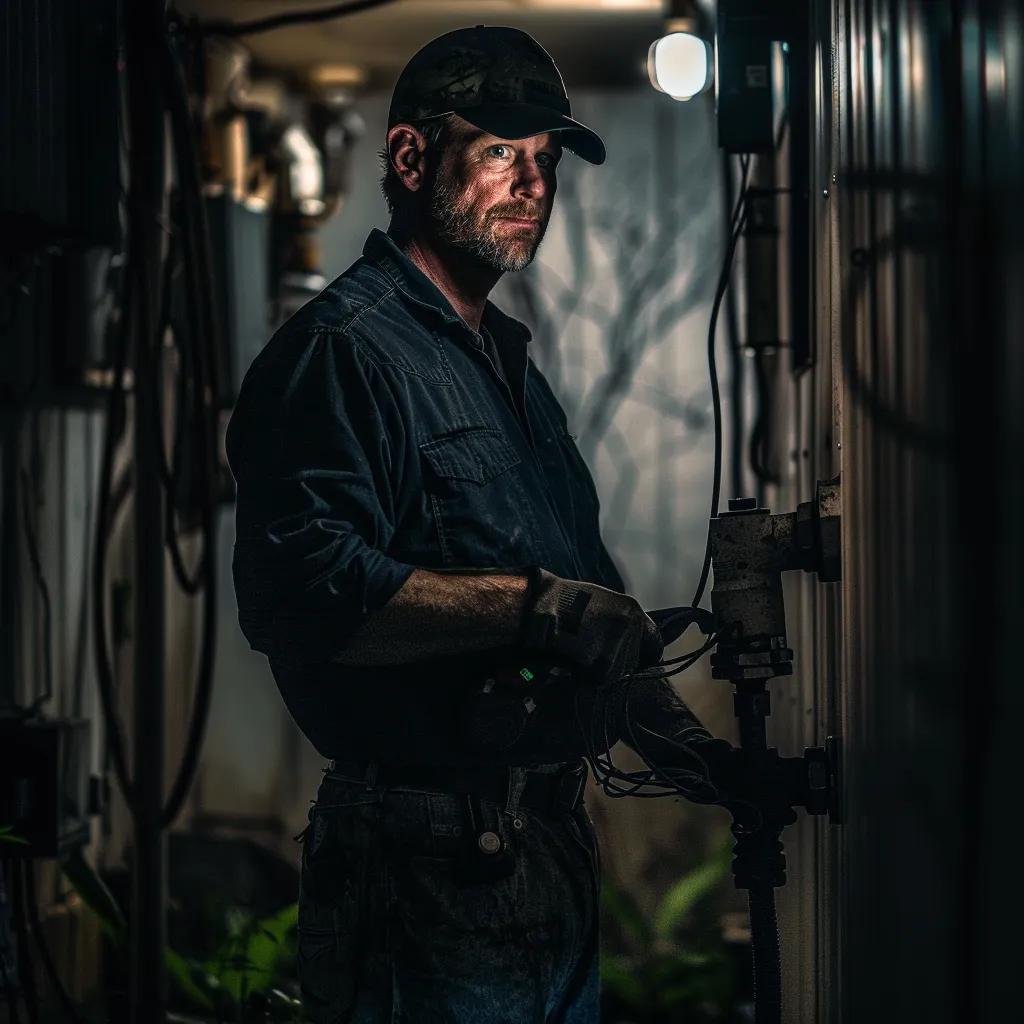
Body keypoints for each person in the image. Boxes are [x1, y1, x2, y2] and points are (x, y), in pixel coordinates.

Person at [227, 25, 754, 1023]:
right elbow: (305, 595)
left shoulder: (507, 365)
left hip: (544, 850)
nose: (532, 185)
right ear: (412, 157)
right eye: (501, 153)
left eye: (545, 161)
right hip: (421, 861)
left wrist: (719, 771)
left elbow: (597, 621)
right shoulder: (342, 355)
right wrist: (534, 608)